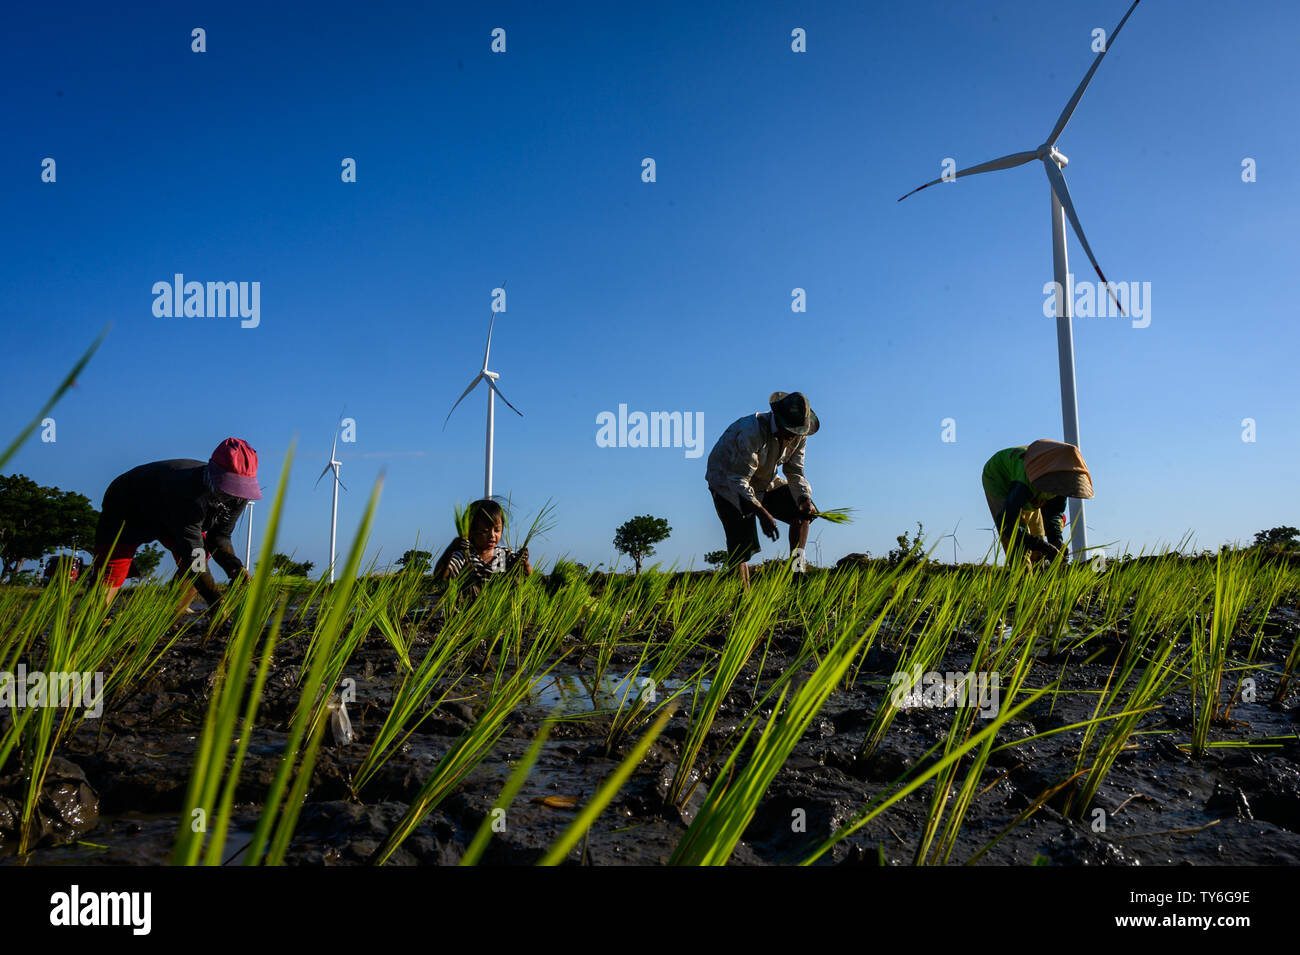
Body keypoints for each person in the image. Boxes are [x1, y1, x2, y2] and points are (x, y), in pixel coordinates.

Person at [89, 438, 262, 614]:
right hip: (129, 506)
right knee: (113, 567)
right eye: (230, 486)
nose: (233, 494)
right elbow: (194, 558)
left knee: (203, 555)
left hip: (174, 513)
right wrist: (216, 602)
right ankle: (90, 620)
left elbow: (219, 536)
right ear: (213, 475)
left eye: (239, 488)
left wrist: (234, 568)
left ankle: (171, 615)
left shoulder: (239, 495)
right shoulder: (188, 494)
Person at [706, 391, 819, 586]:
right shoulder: (752, 431)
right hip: (728, 482)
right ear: (779, 419)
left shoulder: (799, 434)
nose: (793, 436)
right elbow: (739, 480)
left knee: (803, 513)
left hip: (765, 480)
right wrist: (760, 512)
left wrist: (803, 499)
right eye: (790, 430)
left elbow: (795, 470)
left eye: (797, 432)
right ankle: (743, 598)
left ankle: (797, 571)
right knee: (741, 545)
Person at [981, 439, 1093, 567]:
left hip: (1029, 488)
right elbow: (1007, 522)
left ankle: (1040, 578)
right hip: (1000, 481)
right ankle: (1024, 582)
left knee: (1038, 537)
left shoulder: (1063, 480)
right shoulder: (1026, 481)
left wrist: (1056, 539)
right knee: (1019, 547)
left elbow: (1054, 513)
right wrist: (1044, 547)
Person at [432, 498, 532, 596]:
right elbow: (440, 577)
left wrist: (525, 563)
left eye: (497, 530)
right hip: (468, 609)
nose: (492, 535)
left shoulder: (502, 555)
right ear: (470, 531)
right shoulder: (464, 556)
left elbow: (529, 576)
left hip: (498, 609)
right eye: (485, 531)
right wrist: (451, 549)